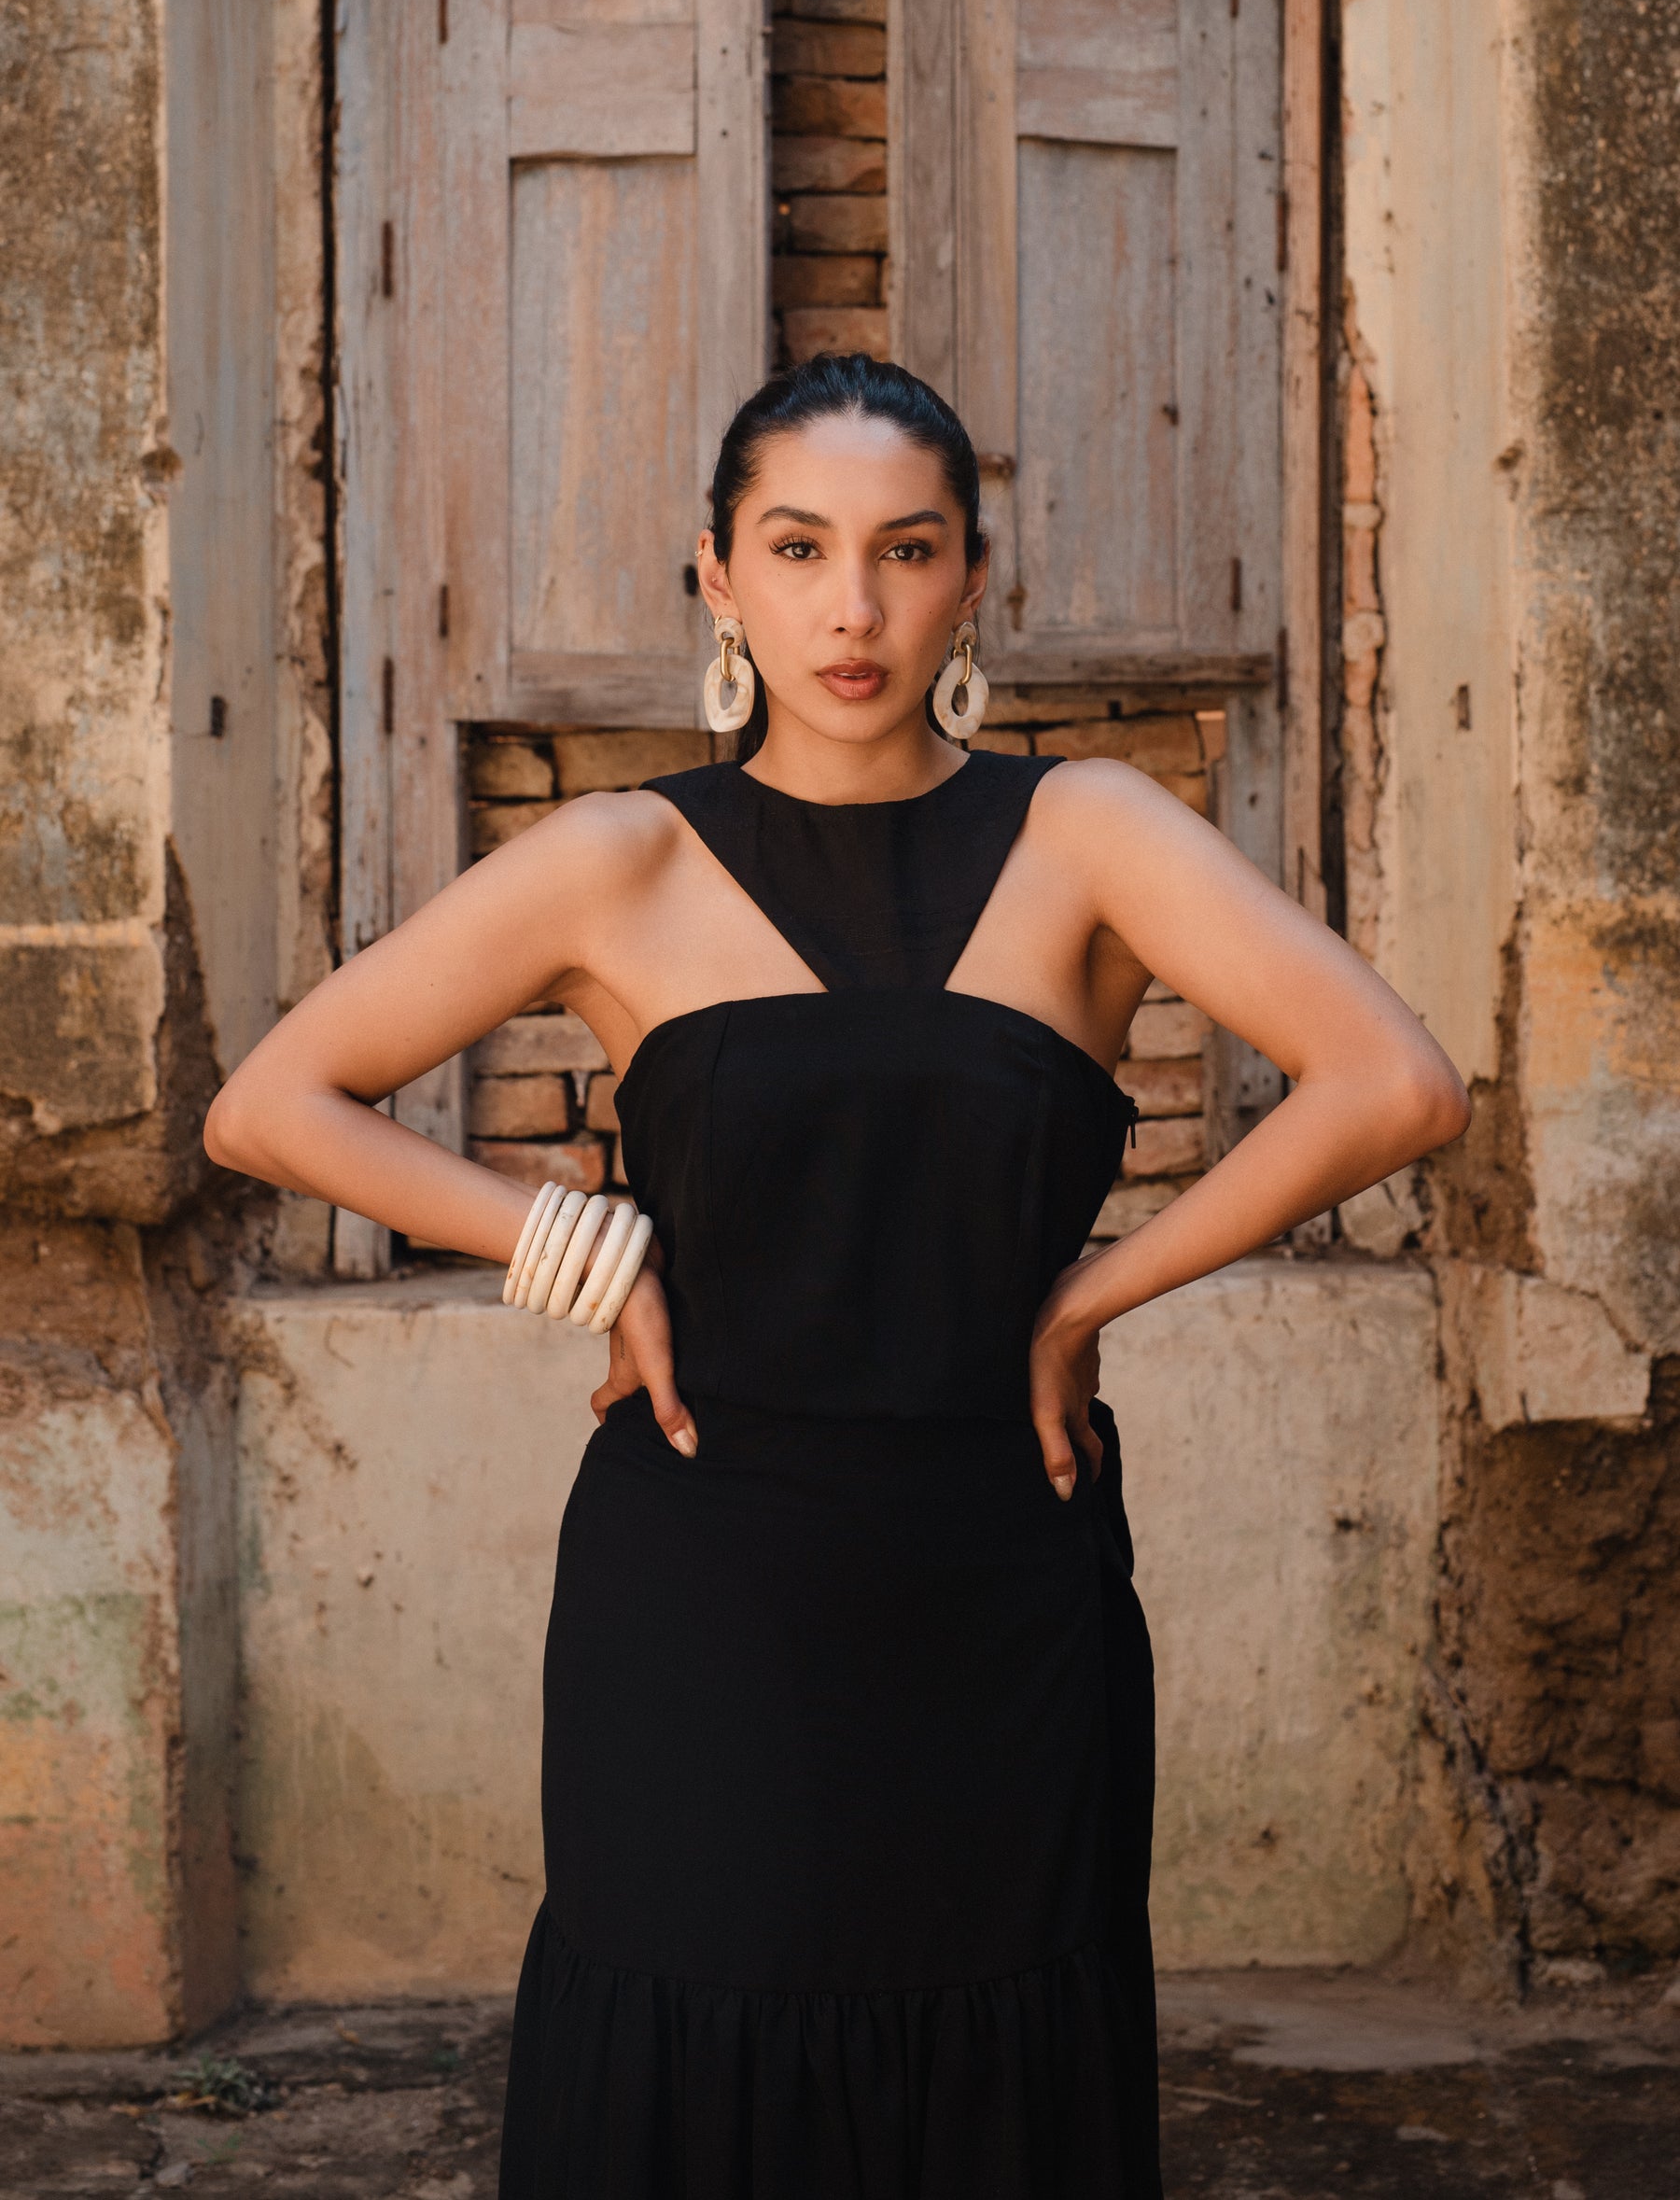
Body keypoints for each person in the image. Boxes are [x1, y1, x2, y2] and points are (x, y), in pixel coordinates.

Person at [205, 353, 1469, 2197]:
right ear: (718, 576)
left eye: (907, 549)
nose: (853, 607)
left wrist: (1090, 1296)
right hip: (702, 1590)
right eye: (798, 549)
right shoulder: (623, 857)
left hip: (1002, 1591)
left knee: (1000, 2080)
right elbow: (268, 1106)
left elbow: (1398, 1084)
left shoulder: (1089, 830)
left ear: (974, 580)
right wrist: (577, 1245)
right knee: (694, 2070)